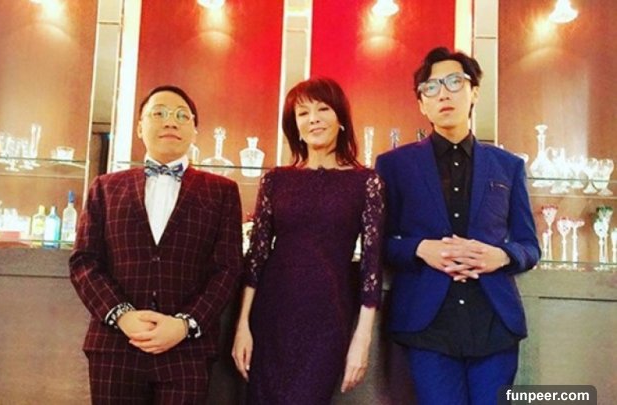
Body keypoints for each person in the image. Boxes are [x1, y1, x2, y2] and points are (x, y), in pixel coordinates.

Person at [375, 47, 541, 405]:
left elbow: (530, 245)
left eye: (454, 82)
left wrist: (502, 256)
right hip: (427, 323)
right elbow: (379, 242)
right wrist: (421, 248)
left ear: (474, 92)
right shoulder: (394, 165)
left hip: (494, 321)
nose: (443, 94)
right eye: (431, 87)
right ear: (422, 104)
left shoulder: (507, 165)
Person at [69, 85, 243, 404]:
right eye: (158, 113)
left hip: (186, 351)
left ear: (194, 130)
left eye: (181, 116)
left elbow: (227, 269)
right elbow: (84, 262)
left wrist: (185, 324)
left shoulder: (222, 192)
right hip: (115, 347)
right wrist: (122, 315)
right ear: (139, 127)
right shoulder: (105, 188)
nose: (170, 121)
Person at [231, 77, 385, 404]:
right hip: (272, 314)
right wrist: (242, 325)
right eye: (303, 113)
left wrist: (362, 338)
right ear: (295, 127)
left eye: (323, 109)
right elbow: (256, 258)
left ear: (340, 119)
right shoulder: (276, 180)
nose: (313, 119)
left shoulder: (365, 182)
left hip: (328, 317)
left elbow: (372, 266)